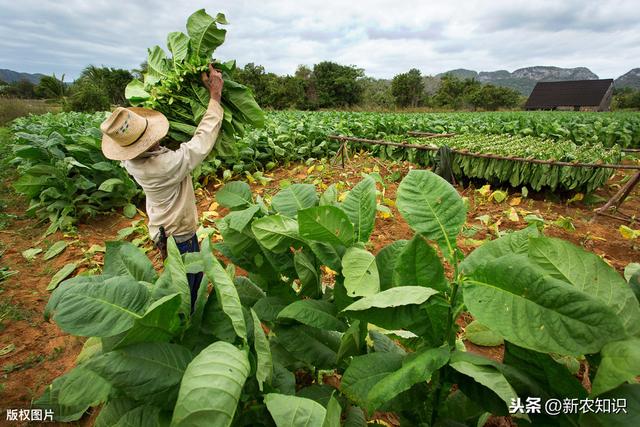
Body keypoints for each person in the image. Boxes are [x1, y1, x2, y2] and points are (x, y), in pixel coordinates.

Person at [100, 64, 224, 312]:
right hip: (179, 235)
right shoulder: (163, 166)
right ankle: (186, 323)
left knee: (175, 276)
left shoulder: (130, 161)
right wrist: (214, 97)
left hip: (160, 229)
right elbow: (200, 143)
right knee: (189, 286)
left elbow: (159, 148)